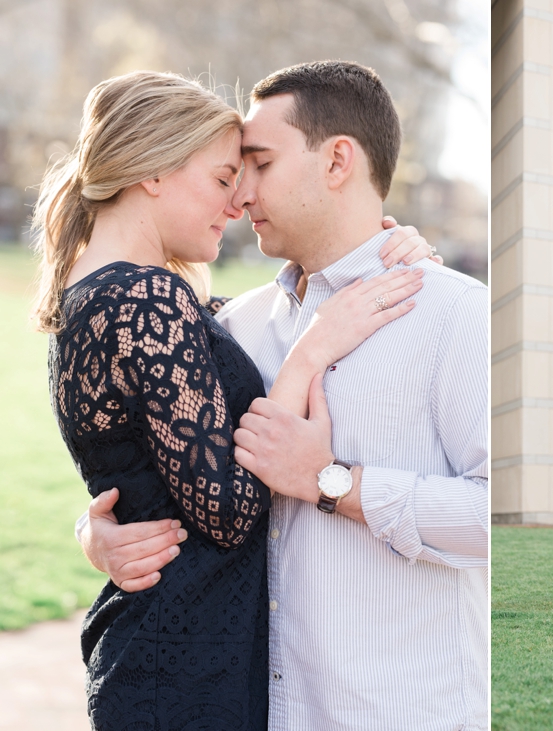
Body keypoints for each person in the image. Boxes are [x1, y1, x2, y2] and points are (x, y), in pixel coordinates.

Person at [79, 61, 489, 730]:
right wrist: (99, 530)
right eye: (230, 173)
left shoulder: (453, 314)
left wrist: (334, 483)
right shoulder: (232, 324)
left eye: (258, 164)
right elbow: (167, 456)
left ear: (337, 161)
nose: (238, 196)